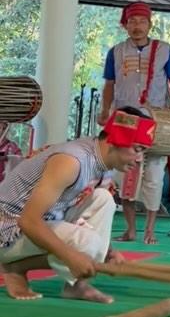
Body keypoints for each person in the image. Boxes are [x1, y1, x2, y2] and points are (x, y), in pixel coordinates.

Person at [0, 108, 154, 303]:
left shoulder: (102, 161)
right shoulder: (71, 161)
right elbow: (28, 221)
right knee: (87, 244)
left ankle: (75, 286)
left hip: (41, 220)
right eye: (137, 149)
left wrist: (109, 253)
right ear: (115, 140)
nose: (140, 159)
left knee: (103, 200)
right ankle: (14, 268)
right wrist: (71, 255)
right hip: (7, 229)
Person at [99, 1, 170, 244]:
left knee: (154, 174)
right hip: (125, 118)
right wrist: (104, 110)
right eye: (132, 21)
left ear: (150, 24)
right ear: (125, 25)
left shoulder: (164, 50)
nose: (137, 26)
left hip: (156, 119)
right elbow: (109, 84)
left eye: (141, 21)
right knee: (124, 174)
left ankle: (149, 231)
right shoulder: (115, 52)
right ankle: (130, 230)